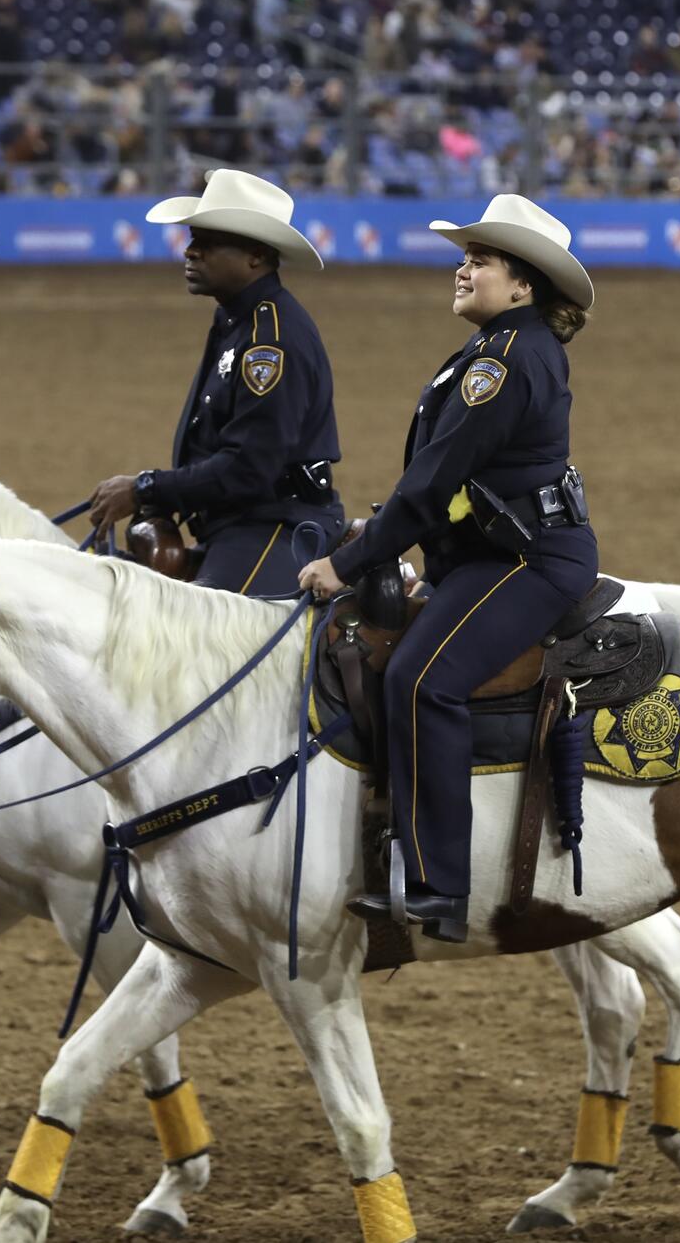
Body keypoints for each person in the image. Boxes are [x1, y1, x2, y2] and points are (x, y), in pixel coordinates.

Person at [296, 195, 599, 942]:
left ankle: (439, 884)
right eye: (466, 257)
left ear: (523, 285)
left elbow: (434, 480)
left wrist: (350, 560)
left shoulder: (504, 359)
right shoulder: (496, 350)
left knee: (422, 677)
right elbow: (441, 485)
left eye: (482, 260)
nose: (463, 268)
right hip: (491, 554)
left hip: (526, 560)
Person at [88, 169, 343, 594]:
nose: (190, 251)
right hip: (242, 522)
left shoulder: (271, 339)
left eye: (207, 242)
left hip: (277, 525)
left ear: (256, 256)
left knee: (202, 645)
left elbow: (249, 468)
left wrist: (148, 487)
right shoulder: (237, 318)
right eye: (192, 239)